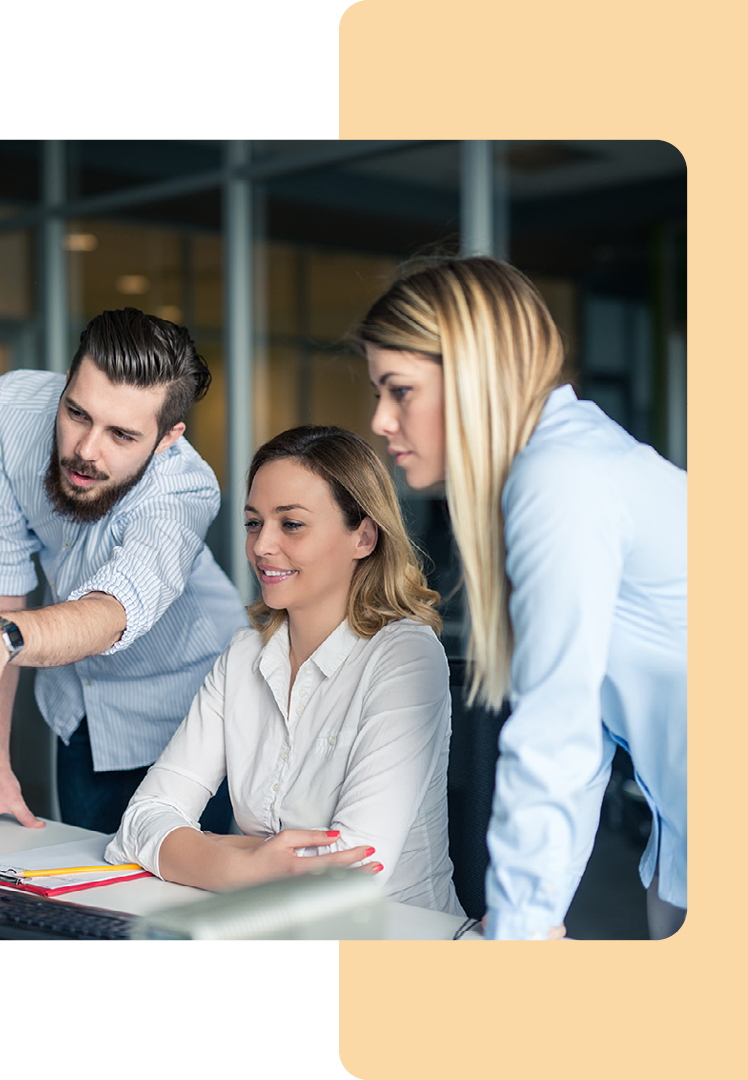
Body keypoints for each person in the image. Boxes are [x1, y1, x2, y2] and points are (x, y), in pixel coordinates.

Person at [357, 256, 687, 940]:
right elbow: (587, 735)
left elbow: (554, 732)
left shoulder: (561, 478)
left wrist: (518, 933)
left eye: (400, 390)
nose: (381, 420)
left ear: (475, 375)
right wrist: (521, 924)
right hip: (680, 849)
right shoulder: (558, 467)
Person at [0, 307, 247, 837]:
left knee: (190, 896)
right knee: (91, 894)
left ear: (166, 438)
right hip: (80, 709)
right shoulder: (10, 409)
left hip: (195, 713)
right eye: (78, 413)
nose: (86, 451)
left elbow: (110, 611)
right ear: (65, 384)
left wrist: (5, 636)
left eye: (122, 435)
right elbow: (2, 574)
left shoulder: (184, 489)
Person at [104, 426, 464, 915]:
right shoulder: (244, 654)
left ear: (364, 535)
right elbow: (140, 823)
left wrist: (208, 849)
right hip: (266, 932)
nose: (262, 546)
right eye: (254, 523)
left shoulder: (404, 656)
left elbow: (351, 875)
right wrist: (245, 867)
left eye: (291, 524)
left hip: (395, 944)